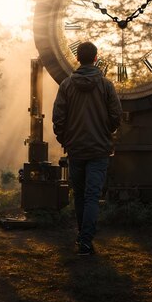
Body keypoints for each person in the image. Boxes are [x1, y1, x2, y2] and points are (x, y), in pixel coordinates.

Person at [52, 41, 122, 255]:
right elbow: (116, 116)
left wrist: (65, 138)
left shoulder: (66, 85)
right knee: (92, 195)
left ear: (77, 59)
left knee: (80, 194)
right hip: (99, 149)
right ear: (95, 58)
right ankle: (85, 241)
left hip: (76, 149)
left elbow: (58, 117)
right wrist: (106, 132)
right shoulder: (106, 85)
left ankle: (82, 236)